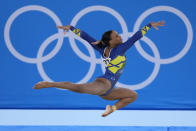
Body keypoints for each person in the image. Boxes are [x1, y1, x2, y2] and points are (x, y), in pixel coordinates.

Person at [33, 21, 165, 117]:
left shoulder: (102, 48)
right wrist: (148, 26)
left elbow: (86, 37)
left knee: (133, 96)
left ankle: (111, 108)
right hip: (104, 83)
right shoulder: (120, 49)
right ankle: (49, 84)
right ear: (111, 42)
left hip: (109, 90)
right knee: (79, 88)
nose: (120, 37)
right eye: (117, 36)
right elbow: (135, 37)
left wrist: (72, 28)